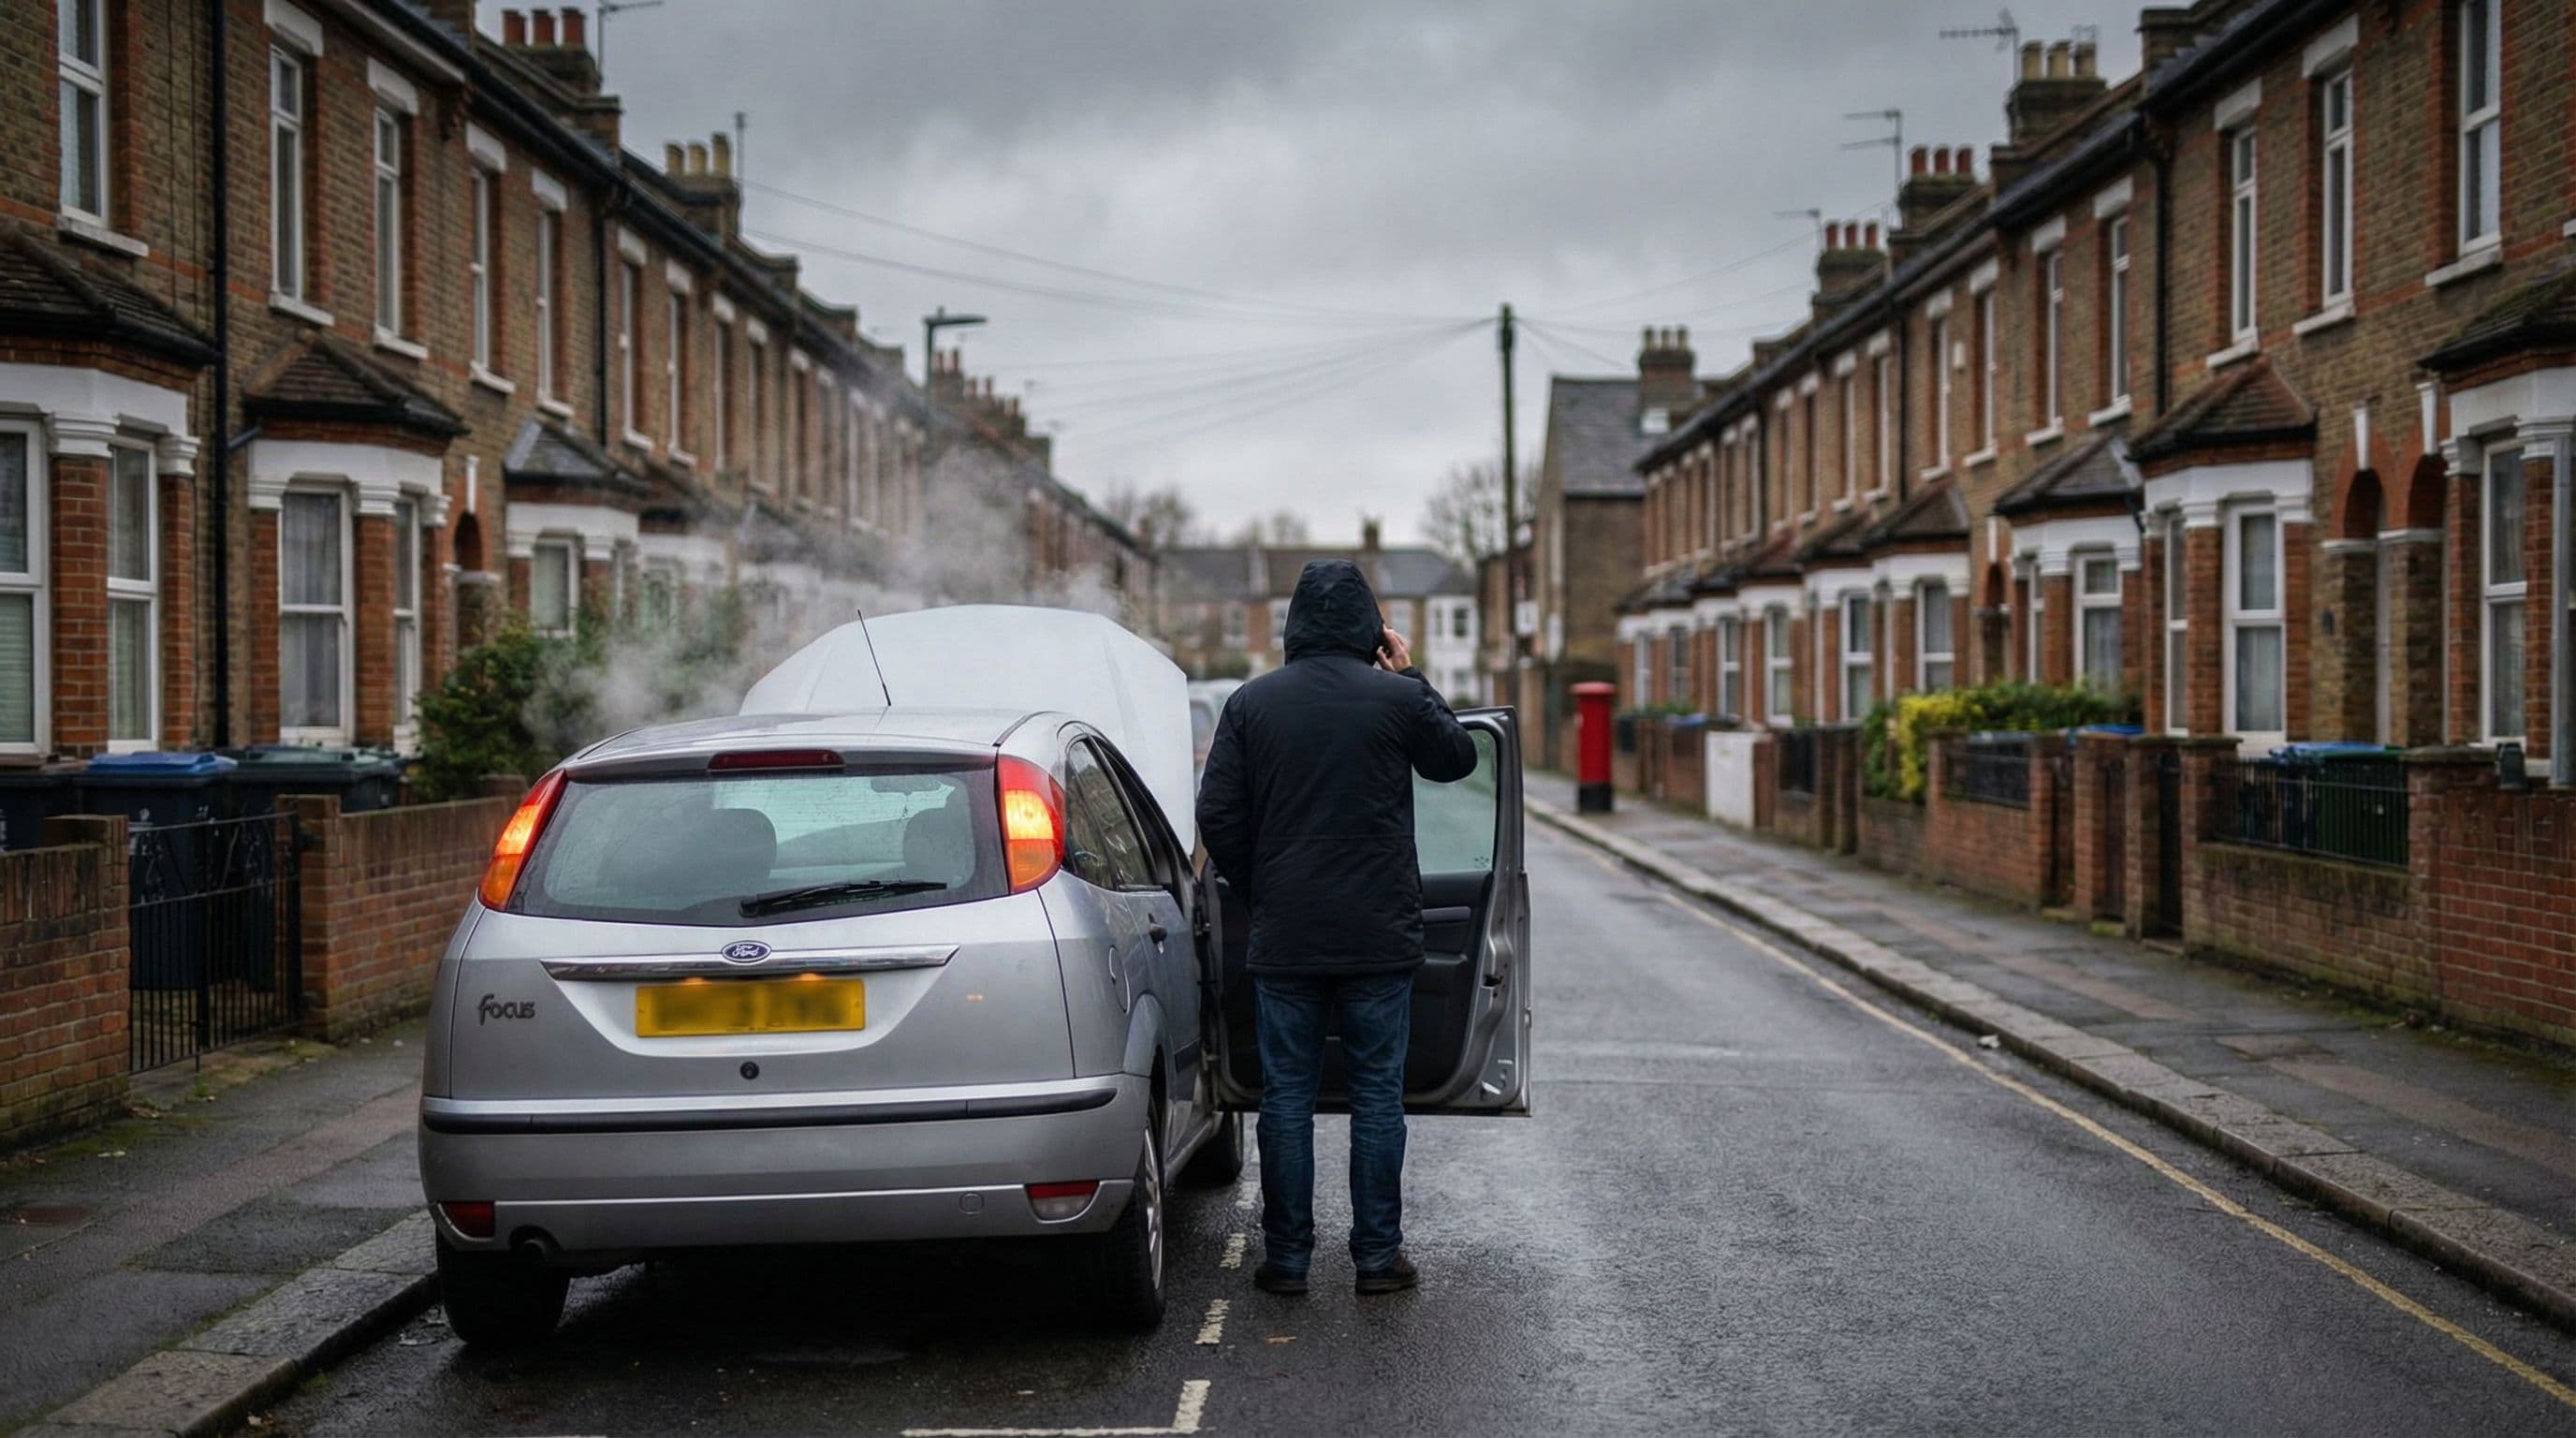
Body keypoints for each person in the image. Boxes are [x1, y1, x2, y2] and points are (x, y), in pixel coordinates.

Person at [1195, 558, 1478, 1297]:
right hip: (1379, 936)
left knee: (1286, 1095)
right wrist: (1409, 674)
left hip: (1287, 935)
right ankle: (1377, 1259)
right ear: (1369, 626)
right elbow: (1457, 759)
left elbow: (1218, 815)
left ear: (1293, 626)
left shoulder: (1252, 705)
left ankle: (1286, 1262)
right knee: (1376, 1095)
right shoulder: (1393, 700)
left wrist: (1265, 890)